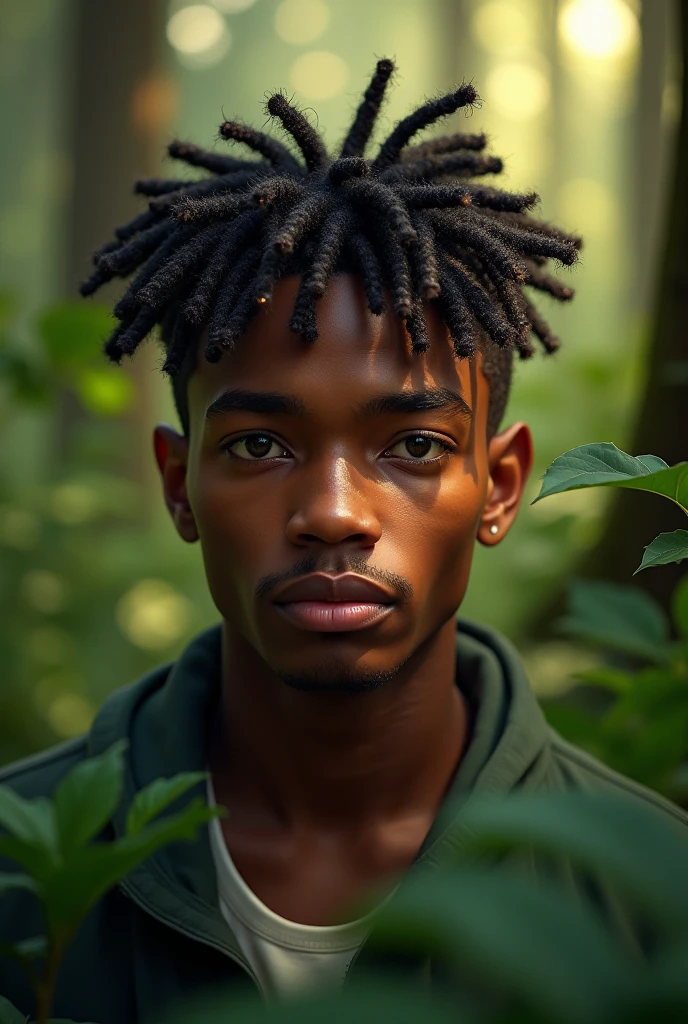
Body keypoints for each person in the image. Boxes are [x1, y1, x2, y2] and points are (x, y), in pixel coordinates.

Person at [1, 58, 686, 1024]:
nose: (334, 511)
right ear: (177, 483)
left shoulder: (655, 893)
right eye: (258, 443)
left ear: (498, 487)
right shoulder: (19, 869)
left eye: (413, 445)